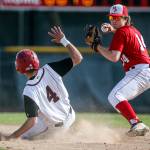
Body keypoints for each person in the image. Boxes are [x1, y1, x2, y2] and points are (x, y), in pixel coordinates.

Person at [0, 26, 83, 140]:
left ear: (19, 68)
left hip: (56, 128)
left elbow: (31, 121)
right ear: (36, 62)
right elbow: (78, 58)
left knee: (24, 137)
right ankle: (71, 129)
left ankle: (61, 134)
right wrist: (64, 40)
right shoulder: (50, 69)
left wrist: (13, 136)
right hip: (71, 115)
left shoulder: (29, 90)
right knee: (41, 115)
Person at [93, 4, 150, 136]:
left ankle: (137, 123)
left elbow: (114, 57)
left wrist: (97, 47)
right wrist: (113, 29)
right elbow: (125, 35)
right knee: (117, 97)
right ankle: (136, 123)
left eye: (117, 18)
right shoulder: (133, 30)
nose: (113, 20)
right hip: (143, 71)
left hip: (140, 72)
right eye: (112, 17)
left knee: (115, 96)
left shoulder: (121, 32)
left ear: (126, 18)